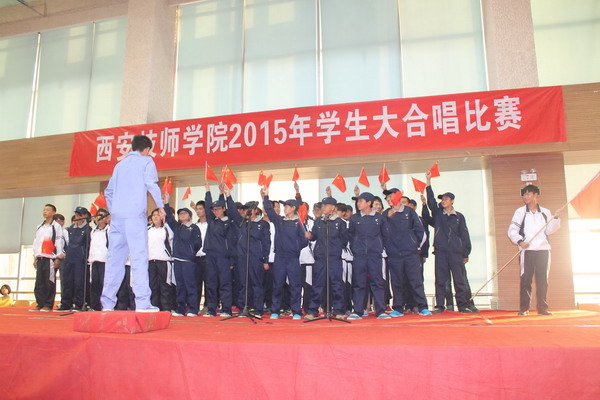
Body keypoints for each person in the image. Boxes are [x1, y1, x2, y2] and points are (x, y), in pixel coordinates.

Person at [101, 134, 165, 312]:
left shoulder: (119, 165)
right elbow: (151, 184)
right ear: (147, 149)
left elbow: (108, 192)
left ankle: (107, 304)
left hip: (117, 218)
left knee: (114, 261)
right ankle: (143, 303)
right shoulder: (147, 161)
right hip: (135, 216)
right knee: (139, 259)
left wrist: (114, 210)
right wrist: (160, 206)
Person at [425, 171, 477, 313]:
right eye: (442, 199)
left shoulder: (459, 217)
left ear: (452, 201)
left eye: (446, 199)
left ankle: (462, 306)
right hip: (441, 252)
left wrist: (466, 253)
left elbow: (465, 236)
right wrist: (428, 182)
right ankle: (440, 306)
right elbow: (431, 202)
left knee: (459, 280)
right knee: (440, 280)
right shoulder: (438, 214)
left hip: (456, 253)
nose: (443, 201)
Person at [508, 184, 560, 316]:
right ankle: (524, 308)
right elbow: (512, 230)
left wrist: (555, 219)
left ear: (535, 195)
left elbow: (549, 230)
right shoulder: (520, 212)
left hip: (543, 250)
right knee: (526, 280)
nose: (525, 197)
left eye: (528, 194)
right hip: (527, 250)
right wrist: (520, 241)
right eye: (524, 195)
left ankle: (542, 308)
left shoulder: (545, 212)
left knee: (543, 280)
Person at [382, 189, 432, 317]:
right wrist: (387, 249)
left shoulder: (409, 212)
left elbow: (421, 232)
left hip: (411, 254)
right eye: (387, 198)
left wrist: (416, 248)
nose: (388, 199)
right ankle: (398, 308)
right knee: (396, 283)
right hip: (394, 255)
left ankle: (422, 307)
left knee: (416, 281)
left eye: (391, 196)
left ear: (398, 197)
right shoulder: (385, 214)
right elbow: (381, 234)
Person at [224, 184, 271, 318]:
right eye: (244, 210)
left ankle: (258, 309)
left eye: (248, 209)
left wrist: (265, 260)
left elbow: (266, 243)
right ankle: (243, 307)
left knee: (256, 284)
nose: (245, 212)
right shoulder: (242, 223)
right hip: (242, 258)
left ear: (255, 210)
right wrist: (228, 195)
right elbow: (232, 210)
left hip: (256, 258)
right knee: (242, 284)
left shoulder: (263, 224)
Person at [262, 186, 308, 320]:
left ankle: (296, 311)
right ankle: (275, 311)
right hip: (280, 258)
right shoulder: (279, 221)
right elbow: (269, 210)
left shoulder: (299, 223)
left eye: (286, 206)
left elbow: (305, 240)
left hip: (293, 258)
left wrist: (295, 247)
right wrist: (266, 196)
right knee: (277, 285)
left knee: (295, 286)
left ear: (293, 208)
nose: (284, 208)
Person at [347, 192, 390, 320]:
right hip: (359, 256)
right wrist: (355, 249)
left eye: (361, 201)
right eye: (357, 201)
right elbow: (350, 235)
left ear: (369, 203)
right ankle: (358, 311)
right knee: (359, 283)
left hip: (375, 256)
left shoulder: (379, 218)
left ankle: (380, 311)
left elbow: (385, 235)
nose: (358, 203)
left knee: (377, 282)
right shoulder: (354, 218)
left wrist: (378, 248)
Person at [304, 196, 349, 320]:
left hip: (334, 258)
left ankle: (339, 311)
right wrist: (310, 236)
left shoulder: (340, 223)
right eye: (322, 205)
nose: (323, 207)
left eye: (326, 205)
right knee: (317, 284)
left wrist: (335, 247)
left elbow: (344, 240)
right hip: (320, 258)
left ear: (333, 207)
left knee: (337, 285)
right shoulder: (319, 221)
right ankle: (313, 311)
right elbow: (314, 236)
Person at [163, 193, 202, 317]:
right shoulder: (177, 227)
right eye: (180, 214)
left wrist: (190, 253)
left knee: (190, 285)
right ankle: (181, 309)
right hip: (177, 260)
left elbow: (198, 243)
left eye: (184, 213)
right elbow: (169, 217)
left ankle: (193, 309)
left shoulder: (194, 228)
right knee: (179, 285)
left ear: (190, 216)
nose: (182, 215)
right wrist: (166, 203)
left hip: (188, 261)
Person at [203, 182, 235, 318]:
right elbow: (207, 204)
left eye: (218, 209)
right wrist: (208, 190)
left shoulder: (229, 222)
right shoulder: (212, 221)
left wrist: (232, 260)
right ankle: (211, 309)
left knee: (225, 284)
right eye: (213, 209)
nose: (215, 211)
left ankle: (226, 309)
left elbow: (232, 244)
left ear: (223, 209)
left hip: (223, 258)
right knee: (211, 283)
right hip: (210, 256)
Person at [32, 204, 64, 312]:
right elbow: (36, 242)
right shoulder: (39, 226)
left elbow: (59, 241)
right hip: (40, 257)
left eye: (48, 210)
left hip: (50, 258)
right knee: (39, 282)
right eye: (44, 210)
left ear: (53, 212)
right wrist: (35, 256)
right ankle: (40, 303)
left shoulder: (56, 226)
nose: (45, 212)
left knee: (49, 282)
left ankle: (48, 304)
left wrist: (58, 257)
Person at [59, 207, 92, 311]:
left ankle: (79, 304)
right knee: (67, 282)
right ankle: (65, 304)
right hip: (69, 258)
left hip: (80, 260)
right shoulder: (70, 229)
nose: (77, 217)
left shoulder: (88, 230)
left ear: (84, 216)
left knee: (79, 283)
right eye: (76, 215)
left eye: (80, 215)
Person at [147, 208, 175, 312]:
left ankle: (166, 308)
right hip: (151, 261)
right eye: (153, 215)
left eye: (158, 215)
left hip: (164, 261)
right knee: (152, 285)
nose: (155, 217)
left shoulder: (167, 229)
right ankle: (154, 307)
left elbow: (171, 242)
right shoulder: (148, 230)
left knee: (165, 286)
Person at [88, 209, 110, 311]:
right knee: (94, 284)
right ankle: (95, 306)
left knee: (104, 284)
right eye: (98, 215)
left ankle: (105, 305)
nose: (100, 218)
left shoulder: (109, 230)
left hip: (105, 261)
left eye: (102, 215)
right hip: (94, 260)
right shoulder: (93, 230)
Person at [190, 199, 208, 313]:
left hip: (207, 257)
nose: (198, 211)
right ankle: (194, 307)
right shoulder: (194, 225)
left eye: (200, 209)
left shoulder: (210, 224)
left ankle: (207, 306)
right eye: (196, 209)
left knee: (208, 283)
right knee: (196, 283)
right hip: (196, 258)